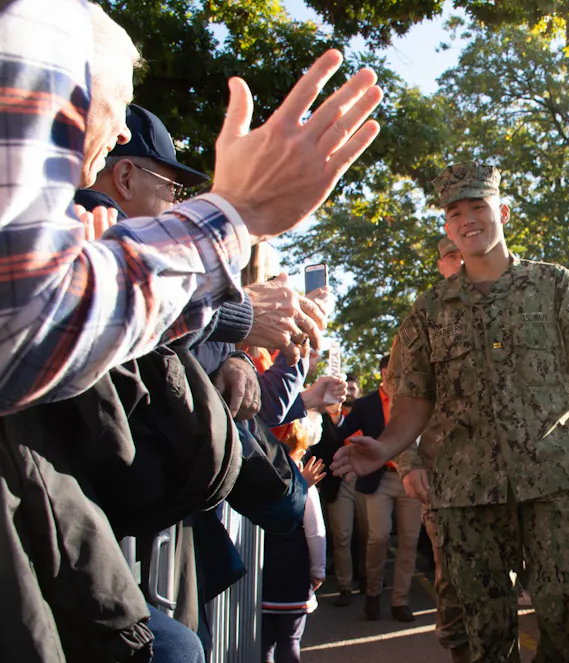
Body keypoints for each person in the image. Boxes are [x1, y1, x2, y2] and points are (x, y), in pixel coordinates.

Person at [333, 162, 569, 663]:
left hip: (556, 473)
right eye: (454, 213)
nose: (467, 221)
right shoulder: (427, 311)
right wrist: (390, 449)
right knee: (484, 627)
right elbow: (414, 400)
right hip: (465, 489)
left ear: (502, 211)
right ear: (446, 228)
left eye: (477, 208)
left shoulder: (555, 285)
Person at [0, 0, 383, 415]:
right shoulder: (40, 17)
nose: (124, 130)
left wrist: (235, 354)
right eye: (172, 187)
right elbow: (32, 324)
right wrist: (236, 214)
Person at [391, 236, 475, 663]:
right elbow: (399, 402)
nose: (460, 259)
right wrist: (408, 463)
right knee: (456, 578)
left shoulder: (509, 305)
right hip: (445, 475)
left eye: (465, 250)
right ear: (441, 261)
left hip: (511, 474)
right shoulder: (420, 320)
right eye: (451, 251)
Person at [338, 355, 423, 623]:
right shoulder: (365, 405)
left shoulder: (416, 402)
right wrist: (332, 413)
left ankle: (400, 601)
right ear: (384, 374)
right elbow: (343, 430)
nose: (398, 379)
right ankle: (373, 592)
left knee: (409, 540)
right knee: (379, 537)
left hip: (409, 477)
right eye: (393, 374)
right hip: (379, 478)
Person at [260, 422, 327, 663]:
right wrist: (319, 571)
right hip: (293, 570)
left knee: (265, 639)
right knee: (289, 638)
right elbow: (316, 533)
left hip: (264, 573)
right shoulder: (304, 487)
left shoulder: (257, 483)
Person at [78, 104, 210, 218]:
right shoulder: (124, 244)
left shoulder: (63, 222)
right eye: (172, 189)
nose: (176, 203)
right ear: (125, 178)